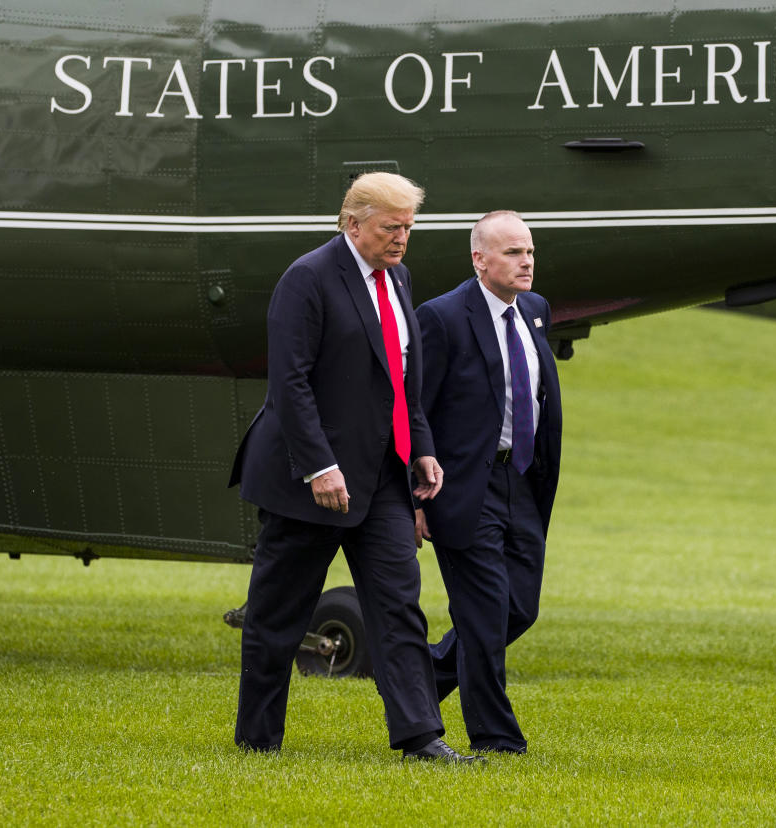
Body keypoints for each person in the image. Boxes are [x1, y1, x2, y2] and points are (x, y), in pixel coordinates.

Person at [229, 172, 481, 764]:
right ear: (353, 223)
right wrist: (319, 465)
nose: (402, 239)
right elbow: (289, 382)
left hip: (383, 478)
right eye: (391, 227)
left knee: (399, 605)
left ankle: (422, 738)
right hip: (307, 481)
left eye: (409, 228)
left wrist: (421, 447)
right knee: (278, 614)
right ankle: (257, 739)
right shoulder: (308, 278)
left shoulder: (399, 279)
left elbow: (402, 380)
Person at [413, 210, 563, 755]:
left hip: (521, 482)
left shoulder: (537, 311)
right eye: (512, 253)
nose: (526, 263)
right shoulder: (442, 316)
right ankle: (497, 738)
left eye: (529, 252)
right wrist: (414, 498)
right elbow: (416, 408)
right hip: (460, 488)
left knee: (519, 609)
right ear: (479, 259)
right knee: (481, 615)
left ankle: (420, 682)